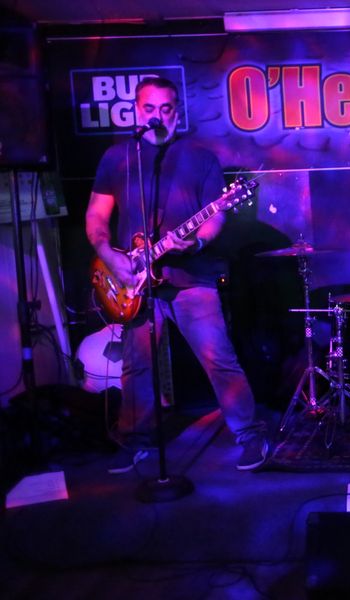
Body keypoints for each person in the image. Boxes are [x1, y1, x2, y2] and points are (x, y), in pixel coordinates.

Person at [85, 76, 269, 473]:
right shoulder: (118, 158)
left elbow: (215, 215)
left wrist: (197, 242)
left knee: (218, 359)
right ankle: (135, 439)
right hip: (134, 282)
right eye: (150, 109)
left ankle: (249, 433)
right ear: (137, 111)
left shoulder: (200, 158)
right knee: (137, 366)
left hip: (190, 280)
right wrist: (107, 254)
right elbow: (97, 215)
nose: (158, 116)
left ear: (176, 112)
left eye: (166, 109)